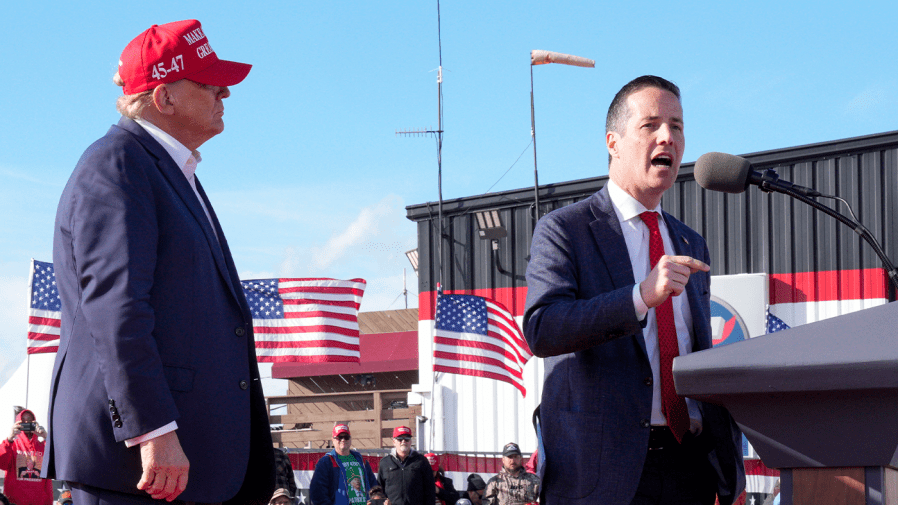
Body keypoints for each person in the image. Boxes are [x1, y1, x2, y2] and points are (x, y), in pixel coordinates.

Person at [43, 19, 275, 504]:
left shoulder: (166, 169)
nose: (224, 94)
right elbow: (115, 309)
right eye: (210, 83)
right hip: (140, 467)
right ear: (164, 97)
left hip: (181, 468)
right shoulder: (119, 163)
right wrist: (152, 428)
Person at [523, 75, 745, 505]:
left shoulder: (689, 242)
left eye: (677, 126)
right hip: (603, 474)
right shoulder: (565, 230)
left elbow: (694, 355)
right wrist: (639, 296)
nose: (668, 137)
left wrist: (728, 463)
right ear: (614, 142)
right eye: (651, 125)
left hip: (689, 466)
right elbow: (542, 328)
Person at [310, 424, 378, 505]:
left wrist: (376, 499)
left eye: (346, 437)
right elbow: (318, 493)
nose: (343, 440)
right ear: (333, 439)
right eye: (339, 437)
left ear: (350, 439)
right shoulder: (326, 462)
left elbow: (374, 486)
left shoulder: (361, 460)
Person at [0, 409, 53, 505]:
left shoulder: (44, 446)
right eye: (23, 420)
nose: (26, 422)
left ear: (35, 422)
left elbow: (57, 462)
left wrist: (46, 437)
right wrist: (9, 438)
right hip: (14, 502)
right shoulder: (12, 444)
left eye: (29, 419)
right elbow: (1, 464)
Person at [377, 426, 435, 505]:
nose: (403, 441)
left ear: (410, 442)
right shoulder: (385, 462)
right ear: (394, 442)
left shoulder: (422, 461)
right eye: (400, 439)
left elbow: (430, 489)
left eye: (407, 439)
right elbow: (379, 488)